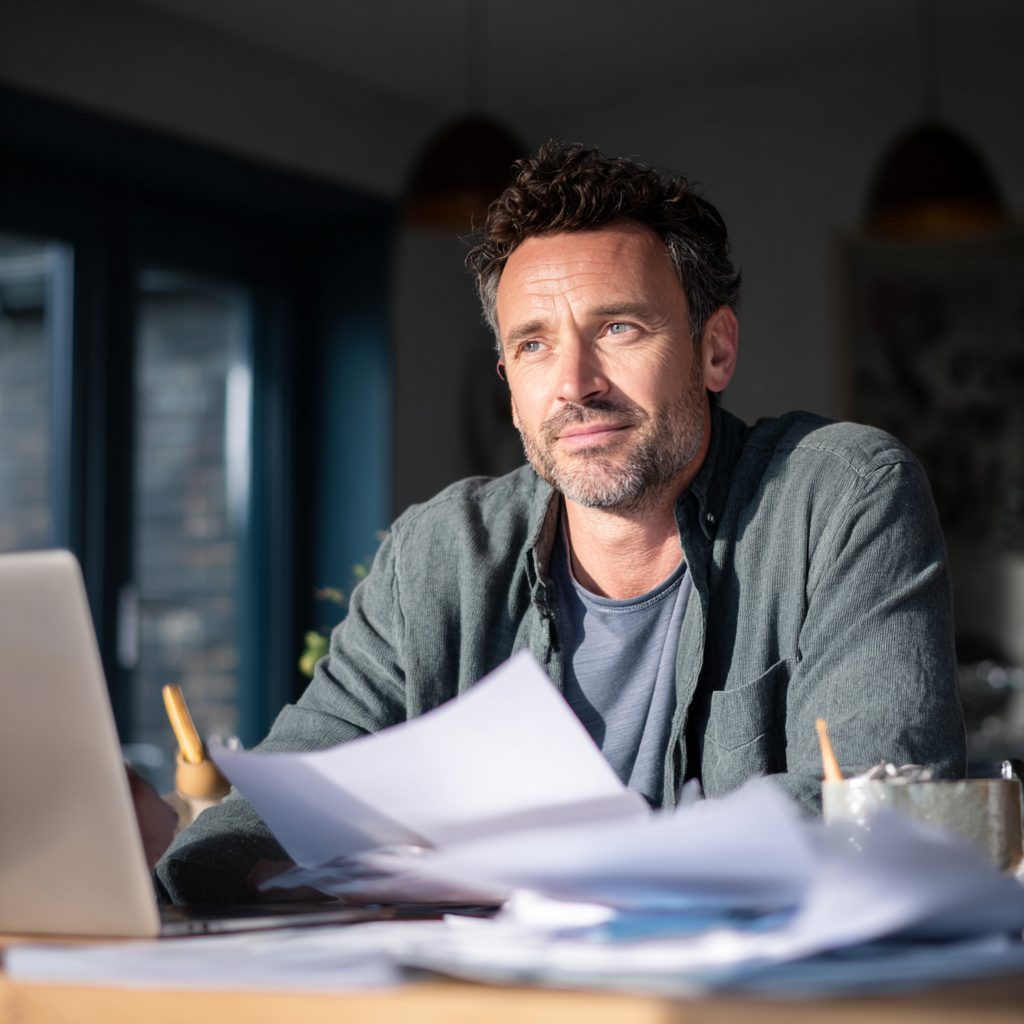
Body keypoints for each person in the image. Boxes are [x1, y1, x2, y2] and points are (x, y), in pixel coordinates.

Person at [154, 142, 965, 904]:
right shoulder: (441, 552)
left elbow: (882, 805)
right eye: (535, 345)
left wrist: (533, 872)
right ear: (510, 382)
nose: (575, 382)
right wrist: (174, 865)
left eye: (618, 328)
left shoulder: (842, 497)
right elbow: (292, 785)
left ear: (715, 351)